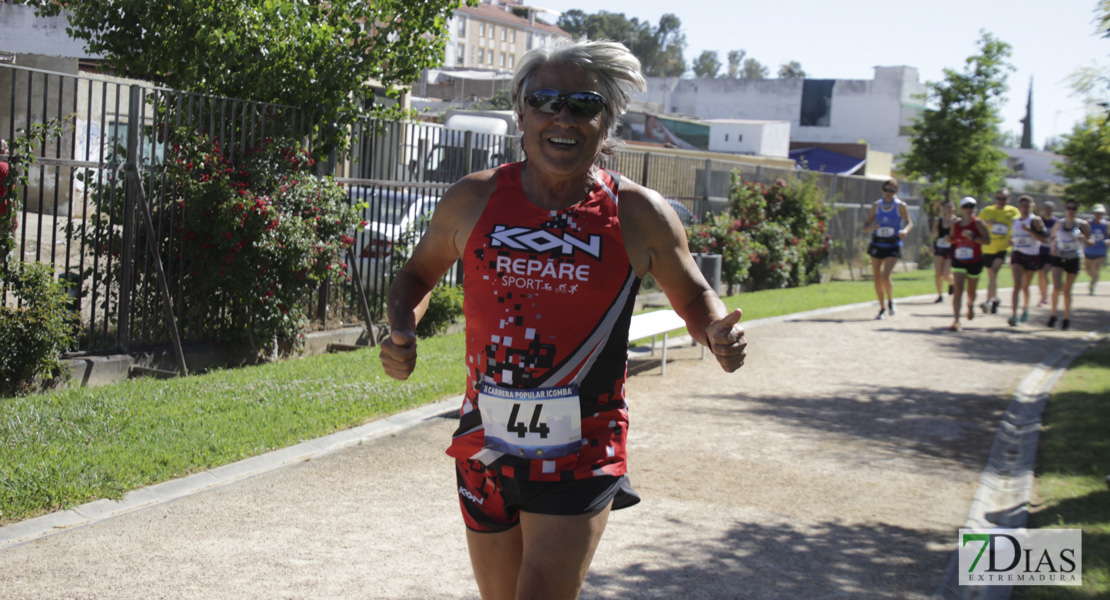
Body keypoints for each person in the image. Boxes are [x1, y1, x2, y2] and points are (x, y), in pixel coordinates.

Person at [378, 40, 748, 600]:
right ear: (521, 111)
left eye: (583, 104)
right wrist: (402, 328)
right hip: (486, 440)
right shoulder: (473, 200)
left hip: (583, 446)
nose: (563, 117)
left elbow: (695, 295)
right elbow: (414, 278)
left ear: (606, 123)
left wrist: (717, 329)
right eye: (546, 100)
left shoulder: (637, 212)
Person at [862, 179, 913, 319]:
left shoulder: (900, 206)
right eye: (886, 190)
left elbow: (909, 222)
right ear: (882, 190)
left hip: (893, 244)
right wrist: (872, 228)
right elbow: (865, 226)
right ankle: (882, 308)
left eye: (892, 191)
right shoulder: (876, 205)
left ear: (896, 192)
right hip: (877, 243)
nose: (888, 193)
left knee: (885, 276)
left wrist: (905, 231)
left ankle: (890, 300)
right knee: (877, 278)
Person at [1047, 200, 1093, 330]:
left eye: (1074, 209)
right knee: (1056, 287)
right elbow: (1051, 237)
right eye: (1069, 208)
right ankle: (1053, 314)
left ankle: (1066, 317)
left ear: (1077, 210)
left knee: (1067, 291)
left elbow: (1091, 241)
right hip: (1059, 257)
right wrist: (1053, 246)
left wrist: (1084, 239)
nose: (1071, 211)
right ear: (1065, 209)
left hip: (1073, 258)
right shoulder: (1059, 223)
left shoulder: (1082, 224)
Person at [947, 197, 991, 331]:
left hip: (975, 261)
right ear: (961, 209)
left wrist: (973, 237)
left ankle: (971, 305)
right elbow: (953, 239)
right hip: (959, 260)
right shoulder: (956, 225)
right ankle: (956, 320)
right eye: (966, 207)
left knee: (971, 292)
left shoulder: (978, 223)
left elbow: (987, 241)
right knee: (958, 290)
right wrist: (949, 239)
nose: (969, 209)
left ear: (975, 208)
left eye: (971, 206)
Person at [977, 188, 1021, 314]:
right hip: (988, 248)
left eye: (1004, 199)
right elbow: (977, 226)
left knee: (994, 272)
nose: (1001, 201)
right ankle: (995, 299)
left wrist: (1013, 237)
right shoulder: (987, 211)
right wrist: (987, 224)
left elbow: (1018, 226)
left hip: (1003, 248)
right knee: (992, 275)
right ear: (995, 198)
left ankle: (987, 301)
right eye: (999, 198)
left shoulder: (1013, 211)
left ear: (1008, 199)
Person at [1006, 196, 1048, 326]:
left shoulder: (1035, 220)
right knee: (1017, 285)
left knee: (1025, 286)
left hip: (1031, 255)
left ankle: (1025, 307)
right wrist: (1012, 241)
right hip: (1017, 254)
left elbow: (1043, 239)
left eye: (1027, 206)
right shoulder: (1015, 221)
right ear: (1019, 207)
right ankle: (1013, 315)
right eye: (1023, 206)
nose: (1024, 209)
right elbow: (1015, 236)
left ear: (1032, 207)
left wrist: (1029, 231)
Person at [931, 199, 956, 303]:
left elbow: (957, 237)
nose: (949, 210)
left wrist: (951, 238)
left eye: (951, 208)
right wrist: (934, 233)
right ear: (944, 209)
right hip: (939, 247)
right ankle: (940, 295)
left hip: (950, 249)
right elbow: (933, 234)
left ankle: (952, 283)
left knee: (946, 274)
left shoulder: (957, 221)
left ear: (954, 209)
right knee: (938, 273)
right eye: (947, 208)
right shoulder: (939, 220)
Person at [1036, 200, 1057, 307]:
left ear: (1053, 210)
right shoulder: (1039, 221)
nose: (1047, 211)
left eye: (1050, 208)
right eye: (1046, 208)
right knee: (1040, 275)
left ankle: (1045, 296)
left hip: (1050, 252)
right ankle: (1043, 296)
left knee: (1044, 272)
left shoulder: (1056, 222)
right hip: (1039, 251)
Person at [1084, 203, 1108, 295]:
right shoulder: (1088, 223)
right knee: (1088, 270)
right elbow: (1084, 234)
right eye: (1097, 212)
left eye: (1100, 213)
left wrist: (1108, 241)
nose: (1098, 214)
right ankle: (1094, 280)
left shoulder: (1106, 224)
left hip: (1101, 250)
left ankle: (1092, 286)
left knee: (1096, 269)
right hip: (1089, 249)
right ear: (1094, 213)